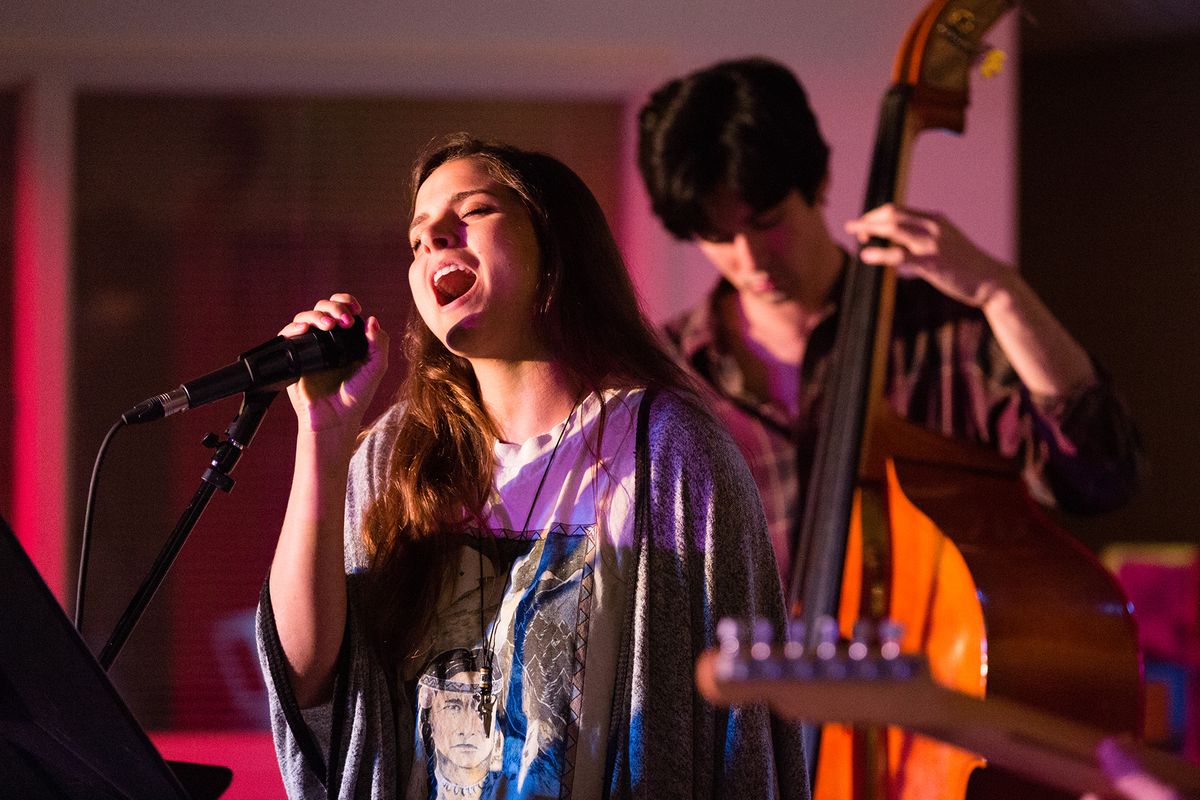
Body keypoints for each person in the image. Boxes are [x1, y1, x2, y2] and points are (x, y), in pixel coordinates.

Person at [255, 134, 807, 799]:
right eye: (417, 236)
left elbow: (744, 732)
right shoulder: (392, 455)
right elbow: (311, 682)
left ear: (554, 248)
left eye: (474, 209)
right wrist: (321, 439)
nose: (433, 236)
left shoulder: (669, 453)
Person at [637, 57, 1142, 583]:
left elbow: (1101, 476)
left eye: (768, 222)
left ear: (821, 179)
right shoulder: (663, 373)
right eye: (717, 237)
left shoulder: (943, 336)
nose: (750, 257)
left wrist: (1001, 292)